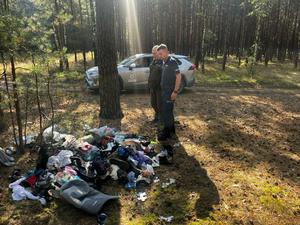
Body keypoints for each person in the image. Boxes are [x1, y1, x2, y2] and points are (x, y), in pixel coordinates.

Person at [157, 44, 181, 141]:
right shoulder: (164, 62)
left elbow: (178, 77)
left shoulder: (172, 62)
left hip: (170, 92)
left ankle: (166, 133)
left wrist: (175, 91)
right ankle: (172, 131)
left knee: (167, 112)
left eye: (161, 53)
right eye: (159, 54)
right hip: (164, 92)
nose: (160, 56)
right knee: (167, 112)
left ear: (167, 52)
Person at [148, 45, 163, 123]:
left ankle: (160, 119)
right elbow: (151, 73)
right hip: (152, 87)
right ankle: (157, 117)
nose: (153, 55)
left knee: (159, 105)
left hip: (159, 88)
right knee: (153, 103)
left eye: (154, 53)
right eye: (152, 53)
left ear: (158, 52)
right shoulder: (153, 61)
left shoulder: (162, 61)